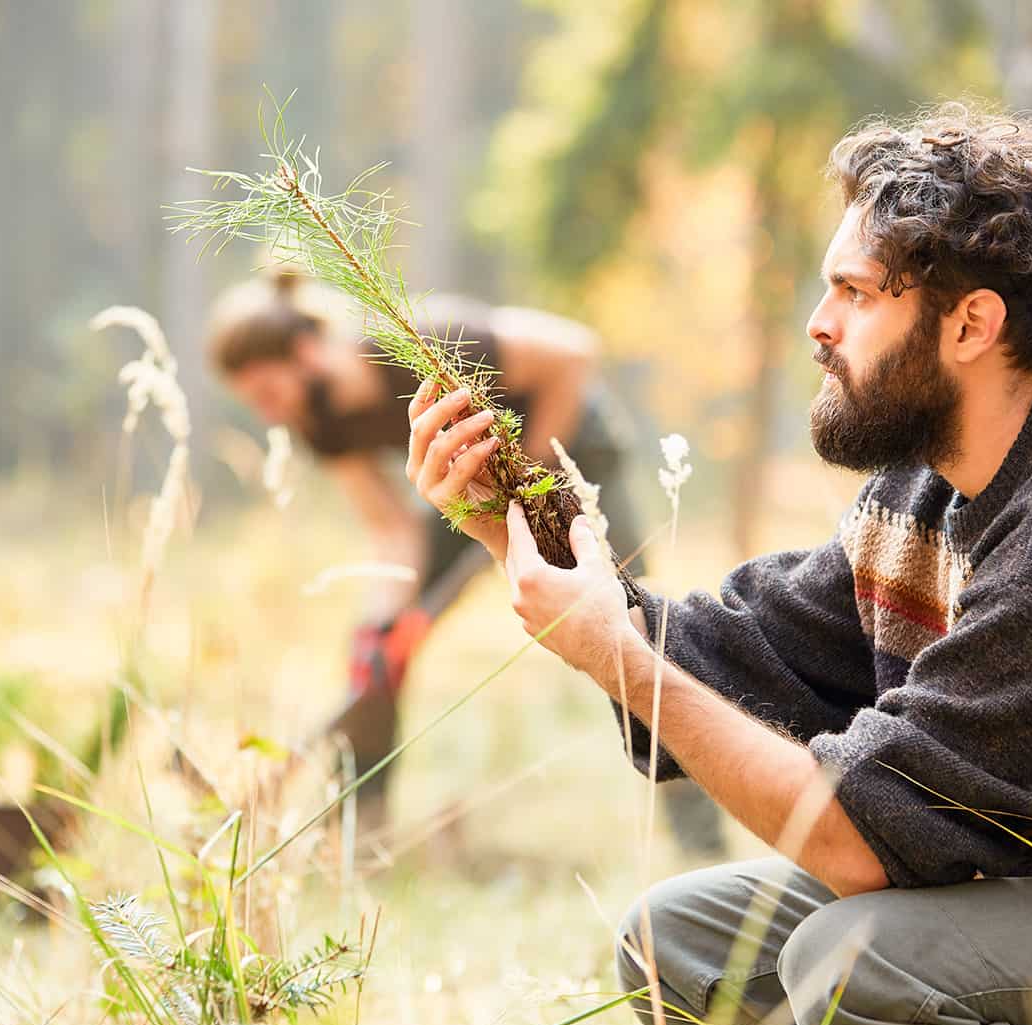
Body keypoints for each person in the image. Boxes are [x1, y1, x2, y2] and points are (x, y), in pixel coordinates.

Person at [405, 102, 1032, 1025]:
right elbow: (739, 654)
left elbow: (852, 842)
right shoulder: (922, 491)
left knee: (854, 965)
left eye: (853, 292)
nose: (818, 323)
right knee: (680, 948)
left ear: (972, 323)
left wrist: (621, 660)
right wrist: (513, 524)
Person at [209, 271, 723, 847]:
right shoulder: (320, 423)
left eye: (267, 394)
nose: (269, 413)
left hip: (572, 456)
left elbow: (573, 354)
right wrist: (387, 622)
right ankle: (356, 833)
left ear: (303, 354)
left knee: (634, 634)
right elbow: (392, 530)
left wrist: (525, 487)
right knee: (376, 650)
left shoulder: (420, 341)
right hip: (471, 483)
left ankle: (699, 837)